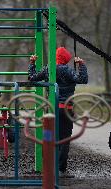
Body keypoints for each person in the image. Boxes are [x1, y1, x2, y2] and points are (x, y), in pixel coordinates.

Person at [28, 47, 88, 177]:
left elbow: (32, 78)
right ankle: (61, 169)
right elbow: (83, 79)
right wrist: (81, 65)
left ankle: (48, 166)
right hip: (66, 109)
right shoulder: (68, 70)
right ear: (66, 58)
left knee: (49, 137)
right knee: (64, 139)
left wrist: (32, 63)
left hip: (51, 109)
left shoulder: (48, 68)